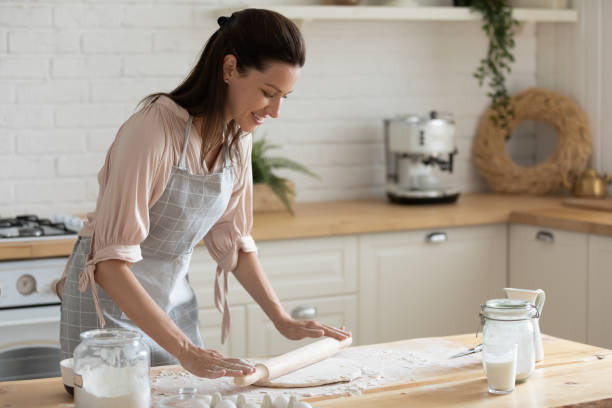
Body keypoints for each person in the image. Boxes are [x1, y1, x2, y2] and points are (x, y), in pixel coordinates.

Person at [57, 8, 351, 378]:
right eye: (267, 93)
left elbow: (233, 240)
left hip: (171, 302)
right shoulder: (154, 130)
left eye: (284, 98)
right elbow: (109, 265)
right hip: (109, 310)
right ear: (229, 69)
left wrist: (282, 319)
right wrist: (187, 351)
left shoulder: (237, 139)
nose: (274, 111)